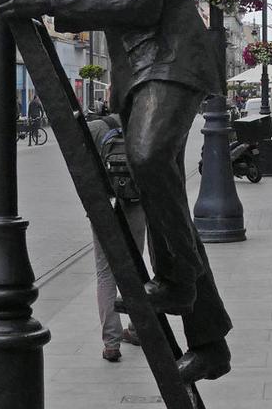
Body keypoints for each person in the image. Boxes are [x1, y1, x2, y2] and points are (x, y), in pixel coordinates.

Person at [0, 0, 232, 383]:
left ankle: (180, 277)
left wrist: (49, 0)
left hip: (171, 56)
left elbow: (138, 1)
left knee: (148, 159)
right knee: (161, 188)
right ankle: (210, 341)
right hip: (135, 66)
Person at [86, 114, 147, 363]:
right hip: (135, 204)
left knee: (105, 272)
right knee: (135, 267)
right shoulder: (142, 122)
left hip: (103, 207)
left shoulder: (94, 128)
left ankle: (111, 343)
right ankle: (136, 329)